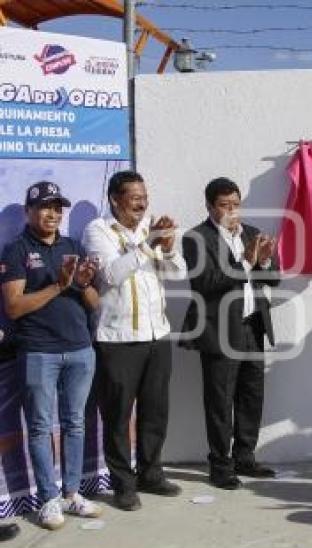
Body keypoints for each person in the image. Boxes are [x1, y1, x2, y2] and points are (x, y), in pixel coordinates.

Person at [82, 170, 187, 511]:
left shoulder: (149, 229)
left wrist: (168, 248)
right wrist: (149, 245)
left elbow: (178, 274)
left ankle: (151, 474)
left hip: (157, 335)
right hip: (118, 338)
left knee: (156, 411)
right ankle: (123, 485)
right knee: (117, 416)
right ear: (115, 199)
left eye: (145, 195)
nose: (143, 202)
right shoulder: (98, 230)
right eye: (135, 196)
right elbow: (110, 274)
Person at [0, 181, 102, 530]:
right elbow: (13, 307)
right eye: (45, 207)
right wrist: (58, 285)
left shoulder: (73, 246)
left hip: (79, 350)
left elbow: (94, 303)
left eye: (58, 208)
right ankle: (48, 500)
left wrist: (84, 283)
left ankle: (72, 494)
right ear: (29, 211)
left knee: (75, 423)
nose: (53, 214)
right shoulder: (15, 251)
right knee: (41, 427)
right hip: (38, 352)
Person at [181, 177, 280, 490]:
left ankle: (245, 456)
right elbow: (205, 282)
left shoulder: (251, 233)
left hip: (253, 325)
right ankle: (220, 465)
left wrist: (264, 259)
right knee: (220, 400)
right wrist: (245, 261)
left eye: (236, 205)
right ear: (210, 206)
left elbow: (273, 279)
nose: (231, 211)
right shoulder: (196, 238)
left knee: (252, 395)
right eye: (224, 206)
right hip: (220, 330)